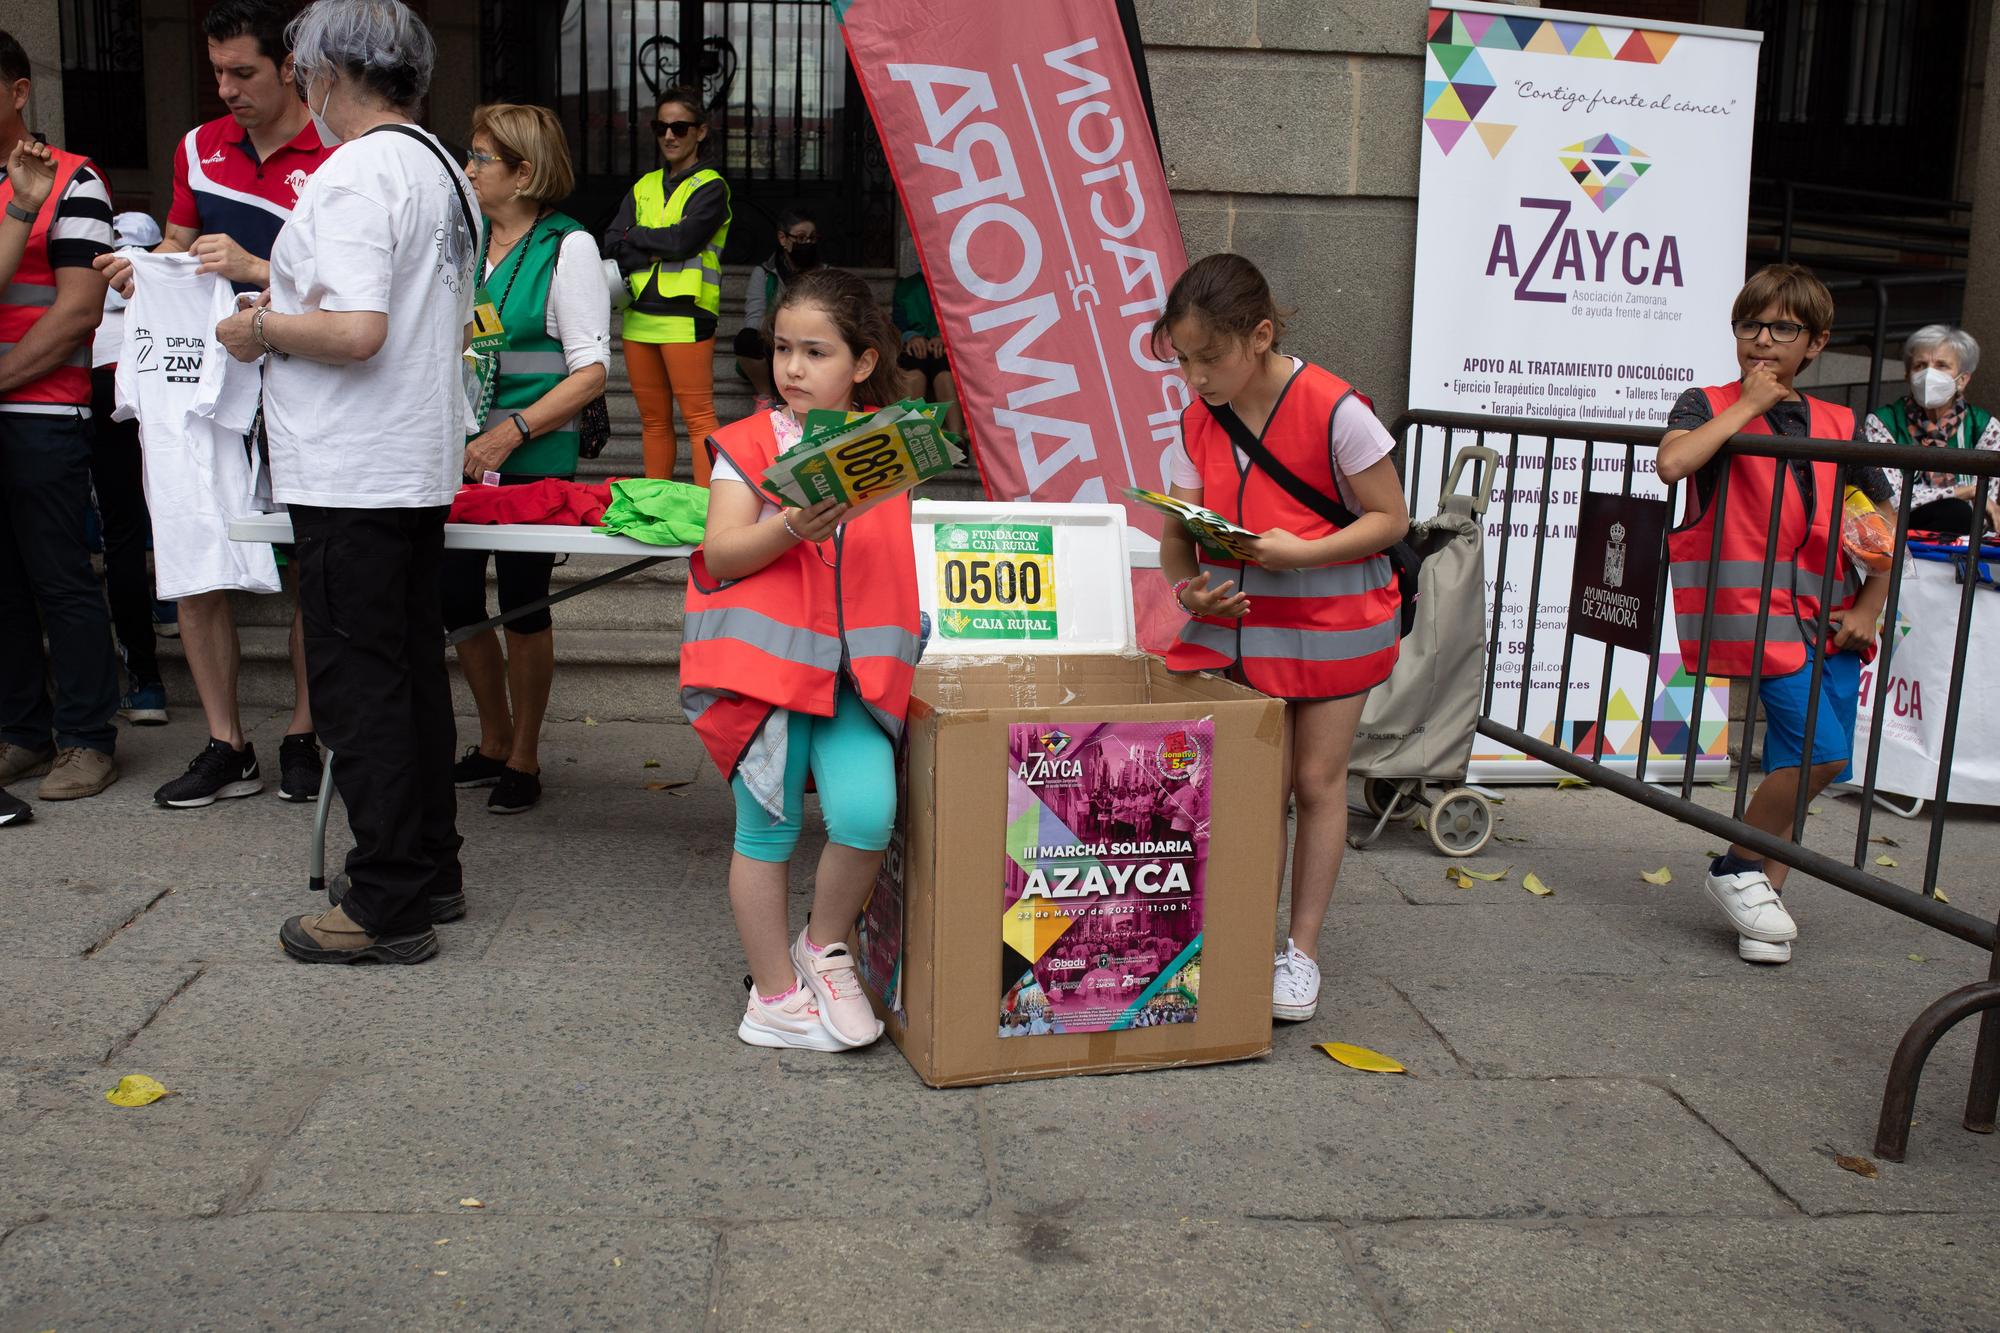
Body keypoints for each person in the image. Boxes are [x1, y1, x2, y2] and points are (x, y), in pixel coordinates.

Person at [217, 0, 477, 965]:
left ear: (327, 75)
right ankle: (429, 868)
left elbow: (358, 328)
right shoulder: (441, 167)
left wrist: (261, 326)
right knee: (407, 674)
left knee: (361, 686)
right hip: (405, 460)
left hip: (354, 464)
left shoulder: (361, 170)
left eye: (300, 72)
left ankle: (387, 901)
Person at [96, 0, 341, 808]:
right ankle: (225, 742)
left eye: (244, 73)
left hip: (303, 375)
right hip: (200, 374)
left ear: (289, 70)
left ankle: (304, 731)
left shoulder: (339, 151)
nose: (227, 90)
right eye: (216, 74)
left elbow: (353, 291)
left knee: (310, 558)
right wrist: (146, 266)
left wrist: (254, 263)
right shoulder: (199, 145)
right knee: (193, 548)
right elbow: (177, 240)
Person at [1152, 253, 1409, 1023]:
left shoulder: (1336, 409)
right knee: (1256, 790)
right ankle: (1246, 939)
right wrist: (1185, 587)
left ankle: (1301, 951)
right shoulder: (1198, 417)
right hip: (1246, 624)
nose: (1196, 377)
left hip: (1337, 625)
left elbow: (1390, 518)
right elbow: (1177, 534)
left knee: (1317, 781)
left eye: (1211, 357)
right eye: (1184, 360)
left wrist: (1300, 552)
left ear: (1259, 335)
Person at [680, 267, 924, 1052]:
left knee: (866, 814)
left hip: (856, 681)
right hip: (766, 681)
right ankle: (774, 999)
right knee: (766, 830)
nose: (791, 368)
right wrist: (792, 527)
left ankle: (822, 946)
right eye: (784, 348)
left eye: (814, 352)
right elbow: (718, 553)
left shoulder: (890, 441)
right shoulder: (746, 445)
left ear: (860, 362)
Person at [1658, 263, 1897, 967]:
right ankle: (1737, 870)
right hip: (1757, 615)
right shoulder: (1707, 401)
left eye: (1782, 328)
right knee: (1823, 752)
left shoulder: (1841, 422)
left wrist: (1871, 605)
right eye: (1750, 324)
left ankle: (1762, 902)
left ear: (1815, 343)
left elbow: (1880, 517)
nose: (1762, 339)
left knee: (1806, 758)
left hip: (1833, 615)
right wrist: (1748, 408)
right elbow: (1675, 464)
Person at [441, 102, 609, 816]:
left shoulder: (568, 247)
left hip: (532, 452)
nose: (469, 168)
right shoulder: (465, 241)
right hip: (459, 452)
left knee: (523, 603)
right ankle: (491, 738)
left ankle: (525, 754)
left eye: (482, 158)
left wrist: (509, 433)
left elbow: (590, 371)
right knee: (454, 600)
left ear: (524, 172)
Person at [0, 32, 122, 809]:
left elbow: (79, 310)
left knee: (58, 576)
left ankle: (88, 737)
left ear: (18, 92)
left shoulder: (73, 179)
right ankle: (22, 728)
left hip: (43, 408)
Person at [605, 86, 729, 483]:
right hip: (639, 314)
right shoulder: (643, 186)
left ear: (701, 132)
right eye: (662, 127)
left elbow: (684, 242)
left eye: (680, 126)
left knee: (698, 420)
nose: (670, 136)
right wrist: (658, 244)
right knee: (653, 422)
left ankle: (710, 514)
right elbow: (611, 243)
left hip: (687, 317)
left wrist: (637, 237)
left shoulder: (711, 186)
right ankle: (656, 504)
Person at [90, 210, 170, 728]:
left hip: (100, 375)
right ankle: (169, 608)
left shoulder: (87, 260)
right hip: (160, 372)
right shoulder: (166, 265)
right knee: (171, 510)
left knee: (120, 531)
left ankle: (145, 685)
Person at [1865, 325, 2000, 537]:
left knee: (1957, 513)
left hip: (1965, 539)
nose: (1929, 374)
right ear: (1908, 375)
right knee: (1954, 510)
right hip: (1899, 535)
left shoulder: (1984, 427)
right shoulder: (1883, 421)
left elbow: (1984, 509)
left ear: (1962, 379)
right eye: (1920, 365)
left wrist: (1964, 498)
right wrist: (1964, 491)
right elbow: (1890, 500)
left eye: (1941, 365)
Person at [732, 210, 820, 399]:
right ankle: (765, 398)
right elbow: (754, 319)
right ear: (783, 239)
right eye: (801, 237)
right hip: (776, 342)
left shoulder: (825, 275)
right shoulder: (764, 274)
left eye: (812, 238)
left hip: (814, 342)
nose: (807, 244)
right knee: (747, 339)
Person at [891, 269, 962, 435]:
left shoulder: (955, 286)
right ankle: (907, 436)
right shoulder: (905, 286)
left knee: (944, 374)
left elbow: (962, 320)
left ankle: (958, 440)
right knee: (914, 373)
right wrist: (911, 336)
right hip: (914, 346)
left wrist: (944, 337)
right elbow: (897, 322)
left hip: (945, 346)